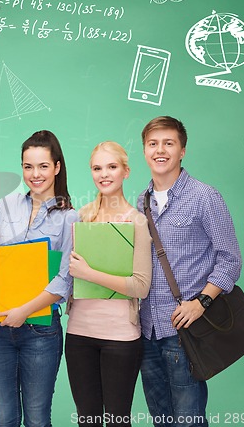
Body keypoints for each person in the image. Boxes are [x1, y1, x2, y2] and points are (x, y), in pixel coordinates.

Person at [137, 116, 242, 427]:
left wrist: (201, 303)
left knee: (189, 422)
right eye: (153, 144)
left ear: (182, 150)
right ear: (145, 151)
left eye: (168, 143)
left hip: (185, 332)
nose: (160, 151)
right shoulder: (140, 203)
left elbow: (230, 260)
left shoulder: (205, 197)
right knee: (161, 421)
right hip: (146, 331)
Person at [0, 130, 79, 427]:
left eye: (42, 166)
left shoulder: (69, 218)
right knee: (4, 419)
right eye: (28, 166)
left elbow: (65, 280)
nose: (34, 174)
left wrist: (24, 311)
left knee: (37, 419)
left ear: (57, 167)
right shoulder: (4, 206)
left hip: (40, 331)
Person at [65, 141, 152, 427]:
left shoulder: (137, 222)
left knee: (117, 421)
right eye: (97, 168)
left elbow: (140, 286)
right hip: (78, 334)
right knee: (87, 420)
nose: (104, 174)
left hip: (121, 338)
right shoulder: (81, 217)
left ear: (126, 171)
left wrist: (88, 273)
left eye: (112, 167)